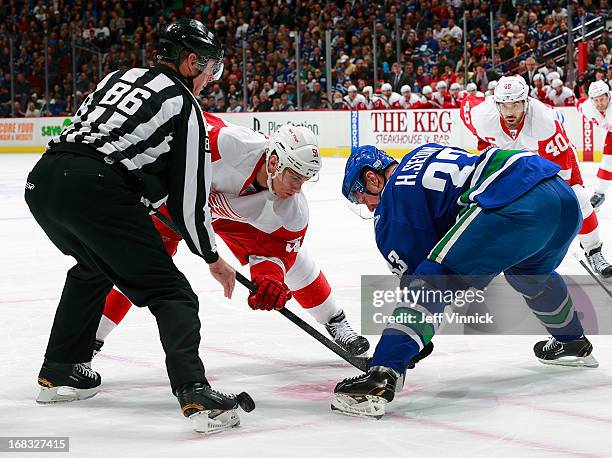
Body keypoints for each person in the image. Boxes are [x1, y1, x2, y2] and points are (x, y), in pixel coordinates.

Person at [24, 18, 253, 434]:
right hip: (96, 189)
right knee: (173, 293)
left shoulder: (118, 75)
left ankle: (60, 370)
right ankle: (195, 392)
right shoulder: (185, 106)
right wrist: (212, 257)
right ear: (190, 61)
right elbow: (189, 201)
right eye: (210, 69)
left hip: (43, 180)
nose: (209, 79)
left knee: (92, 269)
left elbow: (100, 139)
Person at [331, 144, 597, 419]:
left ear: (373, 179)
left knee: (432, 281)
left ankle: (381, 376)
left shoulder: (391, 206)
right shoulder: (421, 152)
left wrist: (407, 344)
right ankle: (571, 341)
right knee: (531, 278)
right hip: (559, 195)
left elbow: (421, 282)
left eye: (361, 197)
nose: (367, 205)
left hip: (512, 204)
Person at [94, 118, 370, 356]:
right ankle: (90, 340)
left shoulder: (291, 210)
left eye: (304, 180)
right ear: (273, 162)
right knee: (139, 265)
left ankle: (335, 320)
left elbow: (274, 252)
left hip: (235, 218)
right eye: (295, 177)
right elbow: (175, 135)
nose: (298, 188)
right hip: (178, 202)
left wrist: (269, 278)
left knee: (297, 264)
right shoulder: (228, 145)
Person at [460, 75, 612, 277]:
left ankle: (594, 251)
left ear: (526, 101)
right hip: (508, 155)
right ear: (496, 104)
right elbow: (467, 105)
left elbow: (561, 178)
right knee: (486, 201)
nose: (510, 112)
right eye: (504, 106)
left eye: (515, 105)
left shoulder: (545, 123)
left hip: (547, 153)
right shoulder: (481, 116)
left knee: (578, 199)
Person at [577, 80, 612, 209]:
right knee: (607, 162)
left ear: (608, 95)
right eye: (596, 100)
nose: (600, 104)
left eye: (602, 99)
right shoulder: (587, 107)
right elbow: (580, 104)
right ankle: (599, 193)